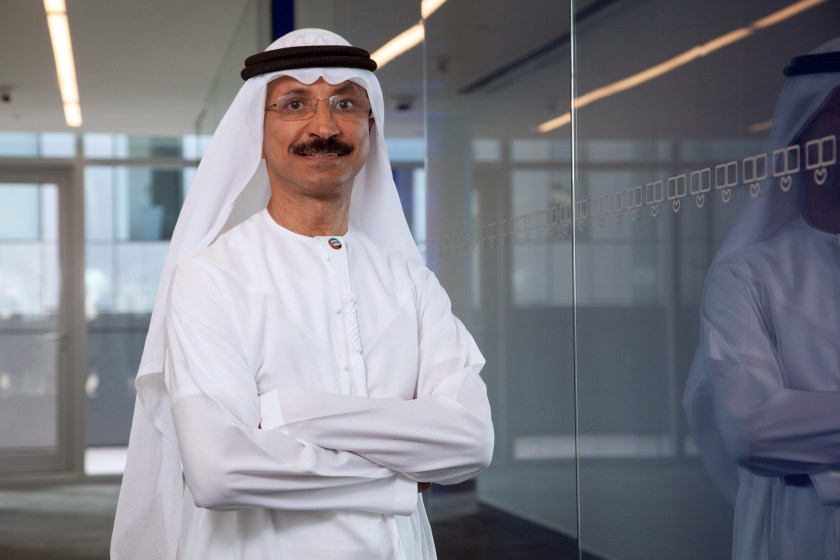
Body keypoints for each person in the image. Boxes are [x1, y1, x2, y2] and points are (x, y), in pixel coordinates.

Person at [110, 28, 494, 560]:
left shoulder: (411, 282)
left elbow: (470, 441)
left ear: (370, 127)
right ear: (256, 133)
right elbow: (219, 471)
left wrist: (290, 413)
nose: (324, 125)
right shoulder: (210, 278)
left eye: (345, 103)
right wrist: (399, 477)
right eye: (295, 104)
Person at [683, 38, 840, 559]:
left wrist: (811, 429)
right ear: (800, 136)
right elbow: (753, 429)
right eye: (836, 113)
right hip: (799, 527)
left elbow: (784, 425)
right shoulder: (748, 274)